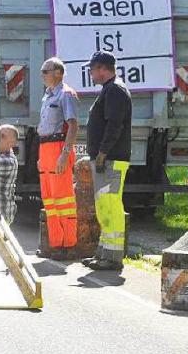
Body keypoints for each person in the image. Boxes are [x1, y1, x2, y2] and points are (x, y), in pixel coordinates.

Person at [83, 51, 132, 272]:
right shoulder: (108, 90)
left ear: (103, 68)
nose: (91, 73)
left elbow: (115, 125)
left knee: (111, 207)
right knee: (104, 207)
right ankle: (103, 253)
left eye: (92, 69)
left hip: (111, 159)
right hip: (106, 158)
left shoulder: (115, 90)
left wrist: (102, 153)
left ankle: (112, 258)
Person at [36, 57, 79, 259]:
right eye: (43, 71)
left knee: (63, 200)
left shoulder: (65, 94)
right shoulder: (47, 96)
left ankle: (67, 244)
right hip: (45, 148)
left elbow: (73, 125)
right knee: (50, 200)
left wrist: (65, 153)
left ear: (58, 73)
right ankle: (55, 244)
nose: (42, 75)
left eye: (46, 71)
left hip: (58, 147)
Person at [0, 124, 19, 226]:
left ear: (12, 143)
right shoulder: (1, 155)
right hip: (0, 211)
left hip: (1, 213)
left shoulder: (8, 161)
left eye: (3, 136)